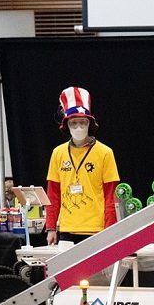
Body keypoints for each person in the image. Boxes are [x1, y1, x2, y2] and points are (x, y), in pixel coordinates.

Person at [45, 87, 120, 245]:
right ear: (67, 125)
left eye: (82, 122)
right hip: (67, 229)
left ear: (89, 123)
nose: (78, 127)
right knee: (69, 270)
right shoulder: (58, 153)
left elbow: (111, 196)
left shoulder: (105, 152)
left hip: (97, 229)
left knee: (97, 270)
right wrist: (51, 227)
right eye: (74, 123)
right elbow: (53, 194)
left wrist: (110, 229)